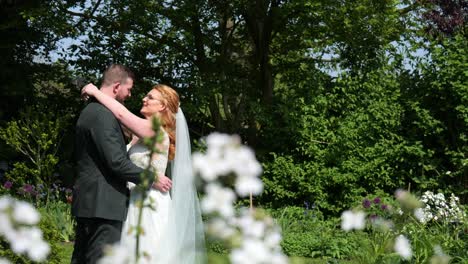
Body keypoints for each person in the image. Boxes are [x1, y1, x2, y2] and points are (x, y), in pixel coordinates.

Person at [81, 83, 206, 263]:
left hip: (149, 203)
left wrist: (95, 91)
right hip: (135, 200)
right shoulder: (140, 133)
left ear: (162, 106)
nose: (144, 99)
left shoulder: (154, 130)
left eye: (150, 97)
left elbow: (121, 114)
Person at [72, 64, 149, 264]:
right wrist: (151, 178)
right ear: (116, 87)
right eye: (129, 89)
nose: (130, 94)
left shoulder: (91, 111)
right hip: (103, 204)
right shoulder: (102, 115)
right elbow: (116, 162)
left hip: (92, 202)